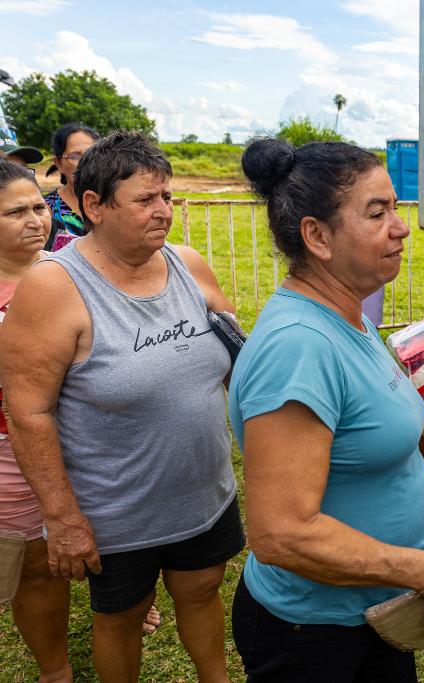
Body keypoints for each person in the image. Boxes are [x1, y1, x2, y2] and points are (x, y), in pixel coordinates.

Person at [229, 138, 424, 682]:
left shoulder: (351, 315)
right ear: (318, 236)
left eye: (395, 207)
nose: (401, 226)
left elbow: (372, 432)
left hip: (375, 614)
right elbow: (281, 533)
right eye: (378, 213)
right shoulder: (298, 347)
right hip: (313, 634)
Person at [0, 131, 242, 683]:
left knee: (202, 592)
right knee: (122, 617)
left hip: (203, 494)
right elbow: (28, 413)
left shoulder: (188, 264)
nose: (163, 212)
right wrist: (62, 519)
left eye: (167, 197)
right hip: (116, 511)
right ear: (93, 206)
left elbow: (235, 355)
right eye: (144, 200)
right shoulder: (53, 288)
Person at [0, 157, 70, 682]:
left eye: (37, 207)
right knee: (26, 563)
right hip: (9, 449)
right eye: (14, 212)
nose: (35, 220)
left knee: (58, 557)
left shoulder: (65, 273)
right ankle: (54, 668)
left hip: (74, 440)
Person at [43, 123, 99, 251]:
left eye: (91, 154)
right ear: (58, 164)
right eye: (75, 156)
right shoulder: (46, 209)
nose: (85, 162)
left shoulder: (113, 200)